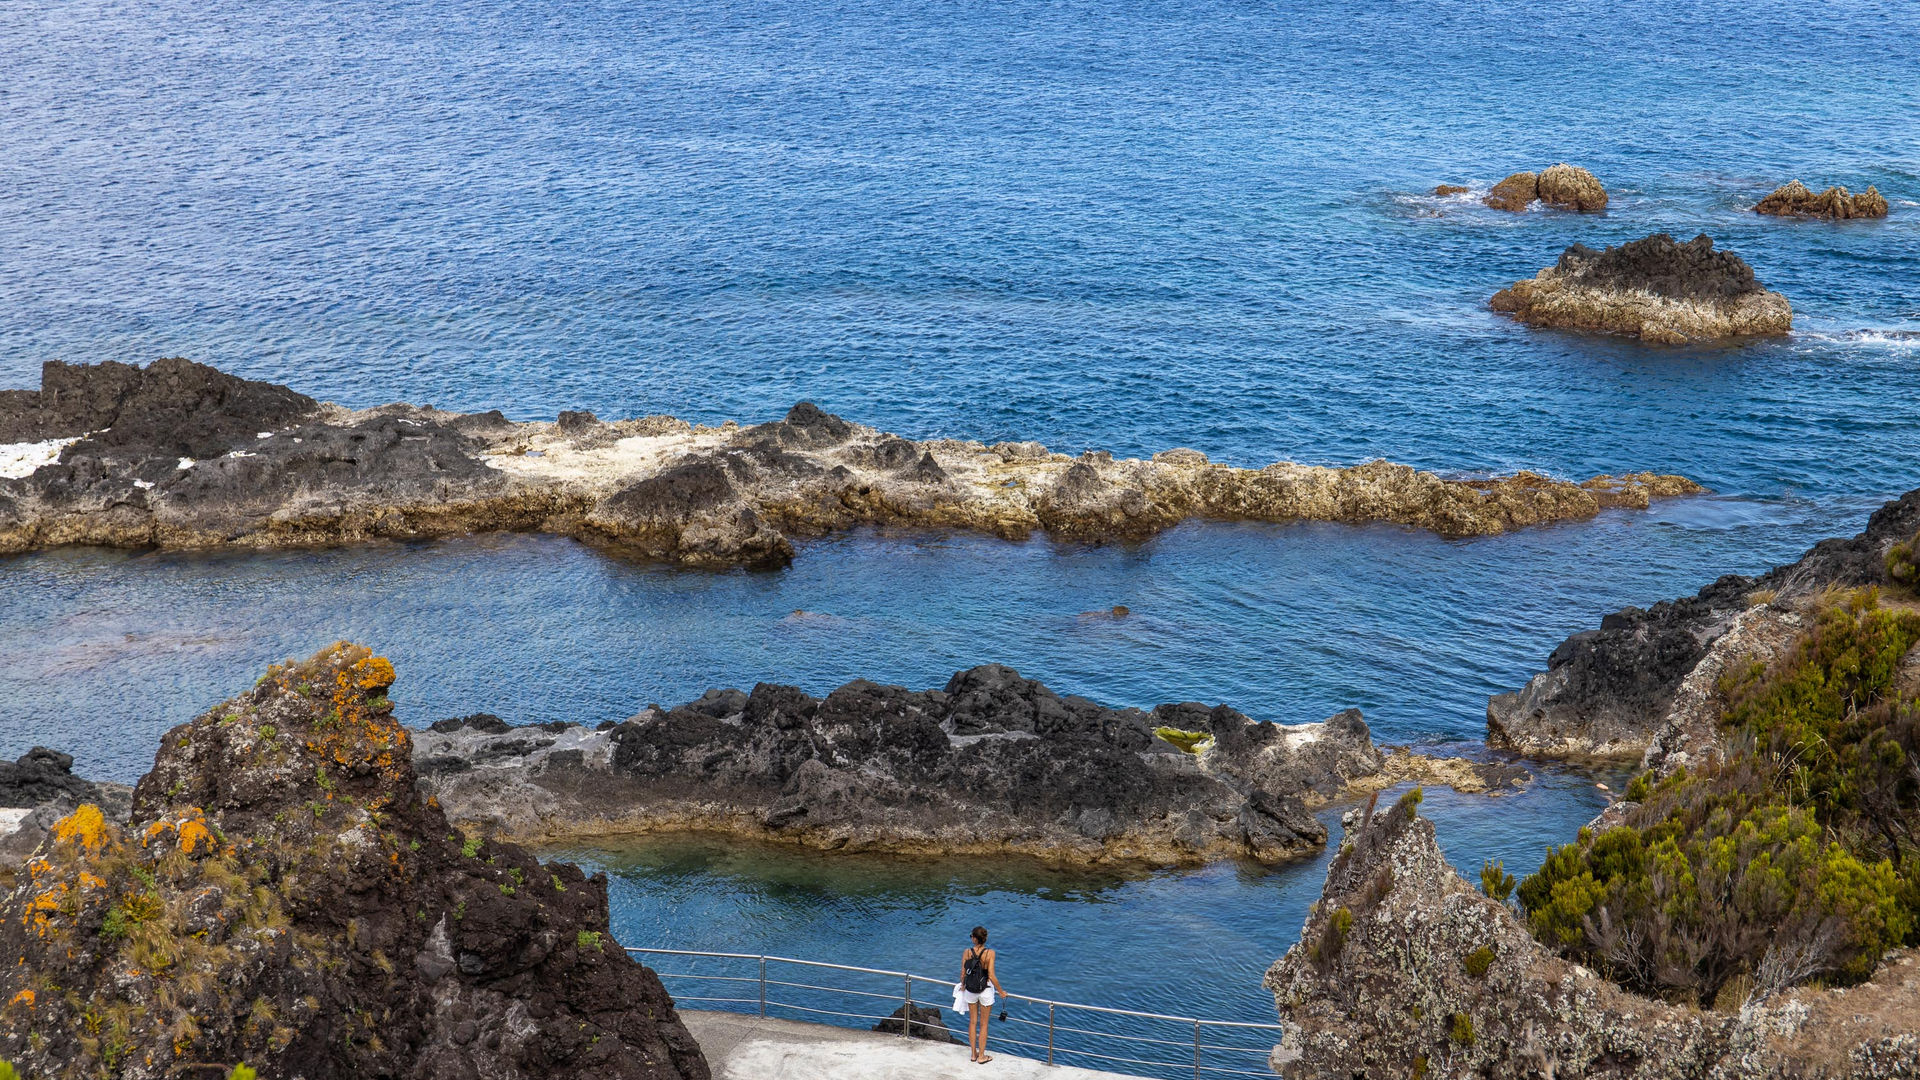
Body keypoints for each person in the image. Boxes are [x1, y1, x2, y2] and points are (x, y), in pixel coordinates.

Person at [952, 925, 1004, 1064]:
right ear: (985, 939)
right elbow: (991, 975)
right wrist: (1001, 991)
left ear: (974, 938)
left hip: (970, 990)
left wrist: (963, 986)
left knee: (972, 1022)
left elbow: (963, 973)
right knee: (984, 1024)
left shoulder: (967, 952)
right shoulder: (990, 953)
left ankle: (973, 1054)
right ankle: (982, 1056)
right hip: (985, 990)